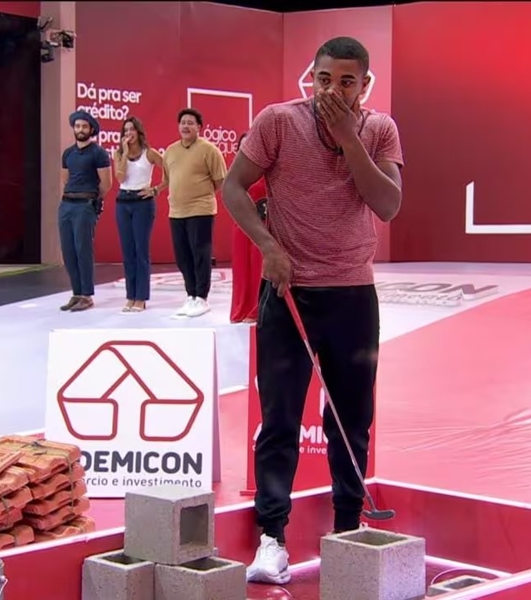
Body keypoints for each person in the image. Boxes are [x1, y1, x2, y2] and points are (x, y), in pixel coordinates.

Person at [222, 36, 404, 585]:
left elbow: (388, 204)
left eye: (346, 82)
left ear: (363, 85)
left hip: (352, 296)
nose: (332, 90)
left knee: (351, 420)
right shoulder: (278, 121)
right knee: (278, 420)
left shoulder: (379, 129)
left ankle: (347, 530)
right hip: (288, 293)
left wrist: (349, 139)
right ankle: (271, 538)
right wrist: (268, 247)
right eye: (324, 79)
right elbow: (233, 188)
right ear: (313, 78)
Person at [161, 108, 228, 318]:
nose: (186, 126)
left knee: (200, 254)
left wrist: (200, 195)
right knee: (182, 257)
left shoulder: (209, 150)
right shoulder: (170, 151)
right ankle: (190, 295)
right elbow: (167, 179)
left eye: (190, 123)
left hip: (201, 210)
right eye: (183, 122)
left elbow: (220, 181)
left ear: (199, 127)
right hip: (176, 212)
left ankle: (202, 297)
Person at [58, 110, 112, 312]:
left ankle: (87, 295)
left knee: (83, 249)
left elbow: (106, 183)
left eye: (84, 126)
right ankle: (76, 292)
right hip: (66, 204)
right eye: (77, 126)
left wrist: (93, 200)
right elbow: (65, 179)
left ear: (91, 129)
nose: (80, 129)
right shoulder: (68, 154)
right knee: (68, 250)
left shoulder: (98, 153)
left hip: (85, 204)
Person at [113, 117, 164, 313]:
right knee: (128, 252)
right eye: (125, 131)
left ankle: (141, 297)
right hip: (123, 202)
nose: (128, 134)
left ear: (139, 132)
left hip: (142, 202)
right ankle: (130, 296)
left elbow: (170, 171)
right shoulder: (119, 154)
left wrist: (156, 189)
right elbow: (120, 177)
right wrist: (125, 153)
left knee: (141, 250)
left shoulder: (149, 153)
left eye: (132, 130)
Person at [229, 132, 266, 323]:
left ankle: (256, 309)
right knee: (241, 268)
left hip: (262, 224)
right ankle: (240, 308)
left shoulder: (267, 171)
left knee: (259, 266)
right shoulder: (234, 174)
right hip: (240, 225)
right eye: (241, 147)